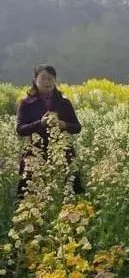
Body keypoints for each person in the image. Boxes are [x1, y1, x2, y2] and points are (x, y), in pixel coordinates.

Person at [16, 64, 83, 199]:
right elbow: (20, 129)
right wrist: (40, 123)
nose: (47, 82)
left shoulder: (64, 102)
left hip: (63, 153)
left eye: (51, 79)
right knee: (31, 196)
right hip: (35, 153)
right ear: (35, 80)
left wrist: (64, 125)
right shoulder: (26, 103)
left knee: (69, 192)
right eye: (44, 78)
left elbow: (77, 127)